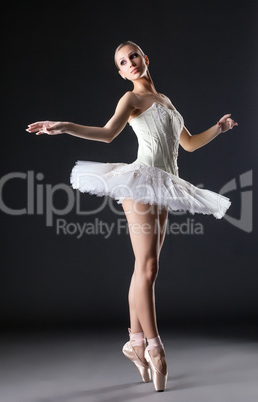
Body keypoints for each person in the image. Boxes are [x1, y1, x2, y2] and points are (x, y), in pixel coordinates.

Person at [26, 40, 238, 392]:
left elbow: (187, 144)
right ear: (122, 73)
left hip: (167, 184)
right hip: (140, 182)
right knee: (149, 267)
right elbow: (109, 134)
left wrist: (219, 128)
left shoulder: (167, 101)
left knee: (145, 268)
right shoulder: (132, 99)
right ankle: (155, 347)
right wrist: (64, 125)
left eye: (134, 56)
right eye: (123, 62)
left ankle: (134, 342)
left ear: (145, 58)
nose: (131, 63)